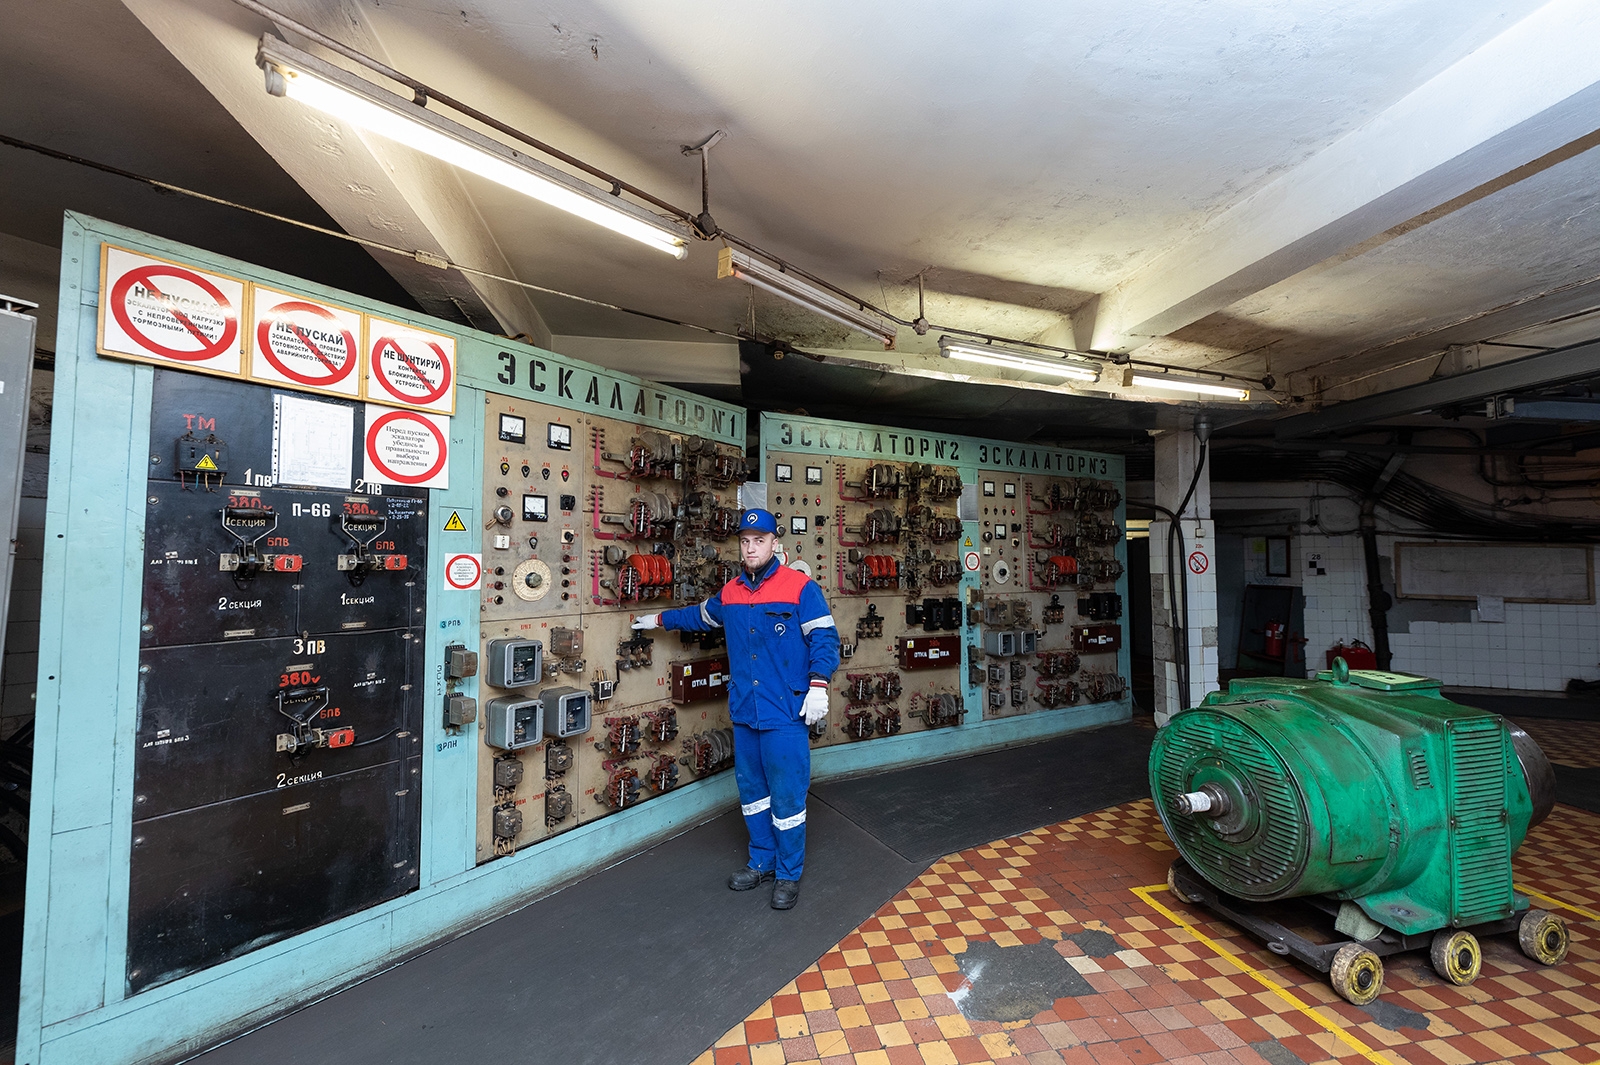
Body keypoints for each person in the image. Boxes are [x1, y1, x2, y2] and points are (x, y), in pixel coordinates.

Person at [631, 508, 839, 909]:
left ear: (775, 543)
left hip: (785, 713)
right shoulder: (731, 592)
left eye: (759, 540)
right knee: (753, 793)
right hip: (746, 711)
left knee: (787, 797)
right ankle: (761, 861)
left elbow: (825, 640)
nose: (751, 548)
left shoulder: (801, 588)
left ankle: (788, 873)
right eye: (745, 541)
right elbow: (700, 616)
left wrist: (818, 685)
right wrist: (658, 618)